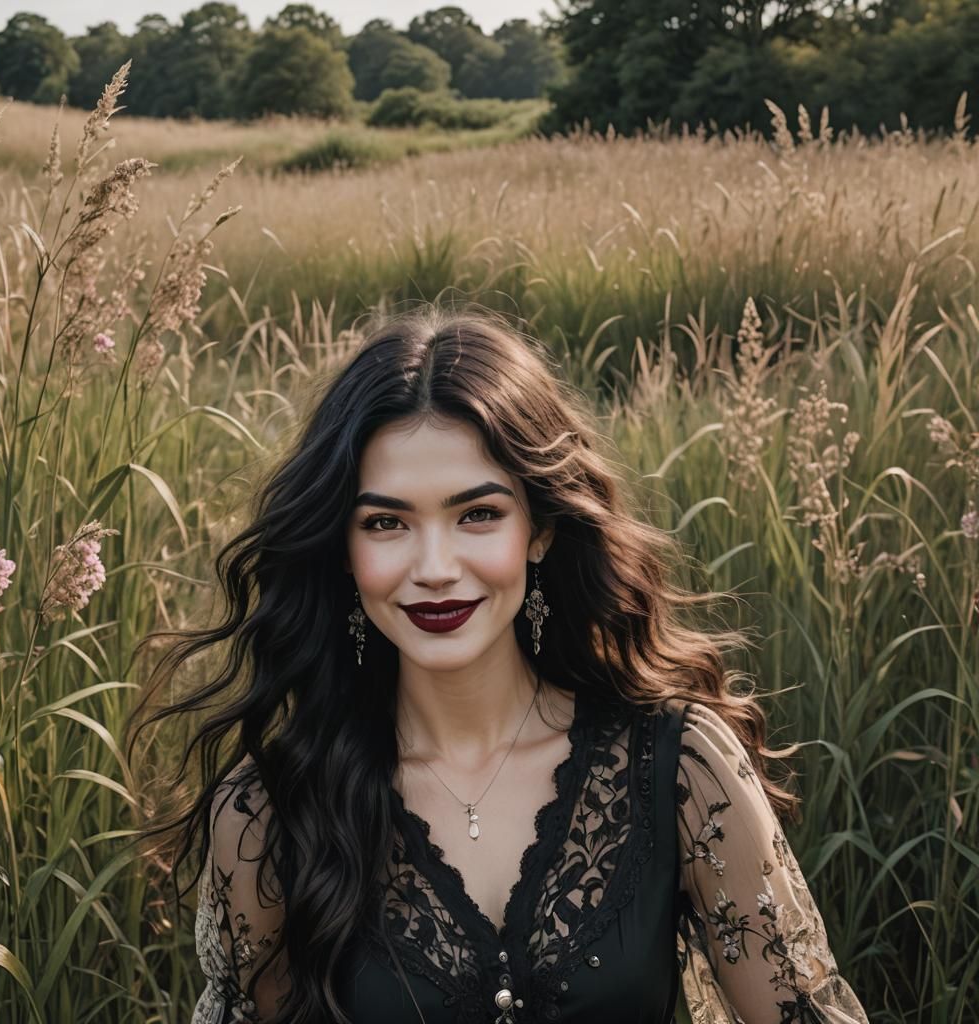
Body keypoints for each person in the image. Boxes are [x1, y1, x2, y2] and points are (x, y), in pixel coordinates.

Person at [132, 306, 870, 1024]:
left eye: (477, 514)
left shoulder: (678, 767)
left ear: (541, 528)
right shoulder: (267, 815)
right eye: (386, 523)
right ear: (342, 549)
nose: (435, 568)